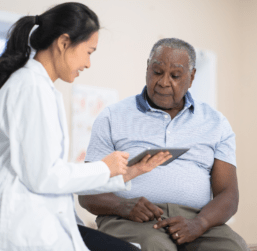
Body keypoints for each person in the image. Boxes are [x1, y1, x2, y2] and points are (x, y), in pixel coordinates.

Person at [0, 3, 172, 251]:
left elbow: (52, 173)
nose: (89, 63)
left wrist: (125, 173)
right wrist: (105, 167)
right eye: (89, 51)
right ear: (63, 43)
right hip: (26, 227)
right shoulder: (30, 88)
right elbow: (43, 177)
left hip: (44, 221)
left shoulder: (41, 88)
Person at [79, 38, 250, 251]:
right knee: (156, 246)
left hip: (197, 221)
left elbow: (228, 194)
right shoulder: (112, 117)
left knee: (233, 247)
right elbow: (87, 192)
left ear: (192, 77)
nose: (164, 82)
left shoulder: (216, 123)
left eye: (175, 76)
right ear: (147, 69)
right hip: (128, 219)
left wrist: (199, 224)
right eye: (157, 72)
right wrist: (123, 206)